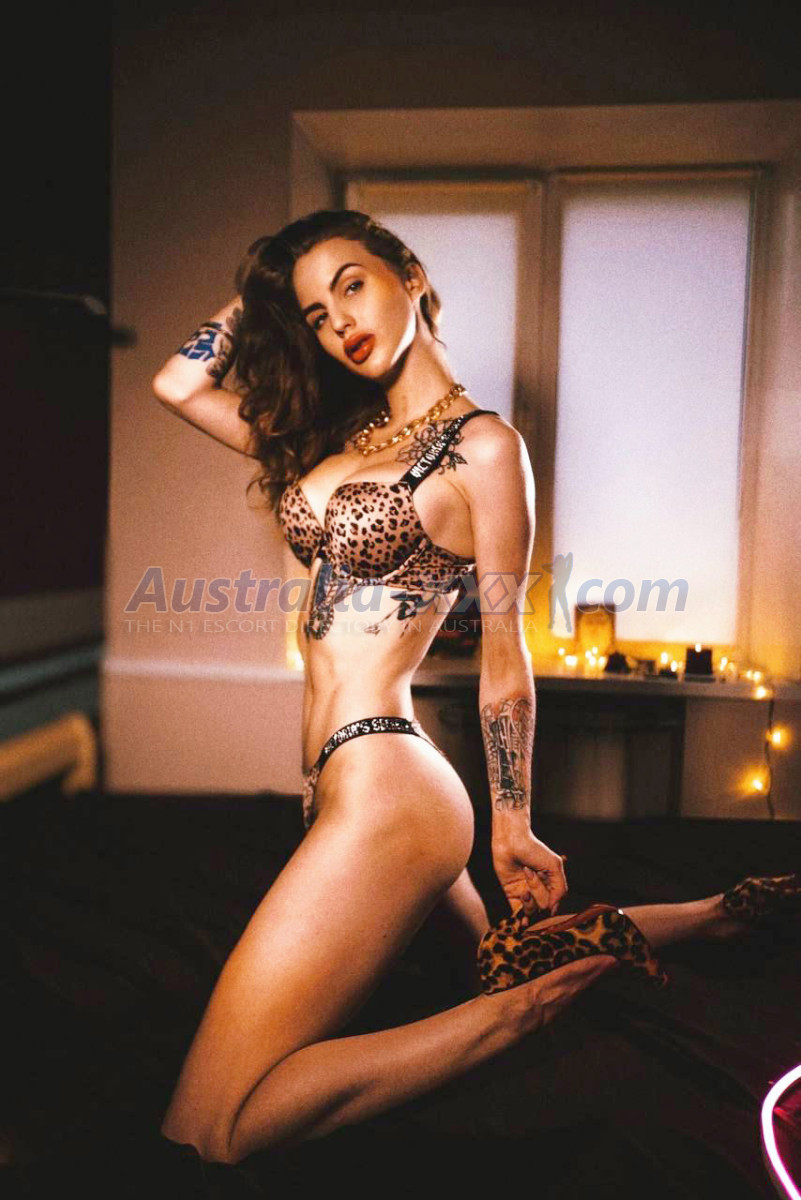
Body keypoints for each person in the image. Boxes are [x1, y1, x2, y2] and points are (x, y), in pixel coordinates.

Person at [151, 209, 800, 1166]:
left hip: (391, 785)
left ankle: (523, 1014)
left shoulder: (484, 449)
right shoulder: (337, 438)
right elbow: (177, 383)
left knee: (211, 1127)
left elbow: (505, 654)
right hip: (334, 783)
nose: (338, 322)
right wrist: (262, 294)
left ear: (409, 274)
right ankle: (715, 914)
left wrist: (510, 822)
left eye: (352, 285)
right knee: (500, 956)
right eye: (316, 314)